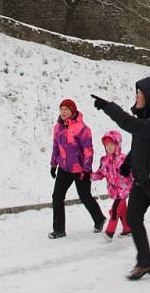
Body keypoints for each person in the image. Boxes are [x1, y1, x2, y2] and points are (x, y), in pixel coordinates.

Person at [92, 77, 150, 283]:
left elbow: (132, 126)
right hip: (142, 181)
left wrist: (108, 107)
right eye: (137, 94)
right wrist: (128, 164)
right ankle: (145, 262)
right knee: (133, 218)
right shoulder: (145, 117)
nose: (137, 97)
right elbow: (141, 145)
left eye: (140, 94)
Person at [49, 98, 106, 239]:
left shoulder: (82, 129)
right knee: (57, 197)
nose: (63, 112)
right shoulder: (58, 128)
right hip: (64, 168)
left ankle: (99, 219)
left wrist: (86, 169)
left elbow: (88, 150)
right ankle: (59, 229)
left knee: (85, 196)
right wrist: (53, 165)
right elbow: (56, 147)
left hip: (80, 169)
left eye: (66, 109)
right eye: (61, 109)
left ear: (72, 111)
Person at [91, 129, 133, 239]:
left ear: (117, 144)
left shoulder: (124, 159)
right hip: (114, 190)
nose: (109, 147)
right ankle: (128, 229)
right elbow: (100, 173)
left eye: (112, 144)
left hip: (124, 190)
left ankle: (109, 232)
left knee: (114, 211)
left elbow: (133, 173)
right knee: (123, 211)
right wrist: (89, 177)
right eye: (107, 145)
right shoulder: (104, 160)